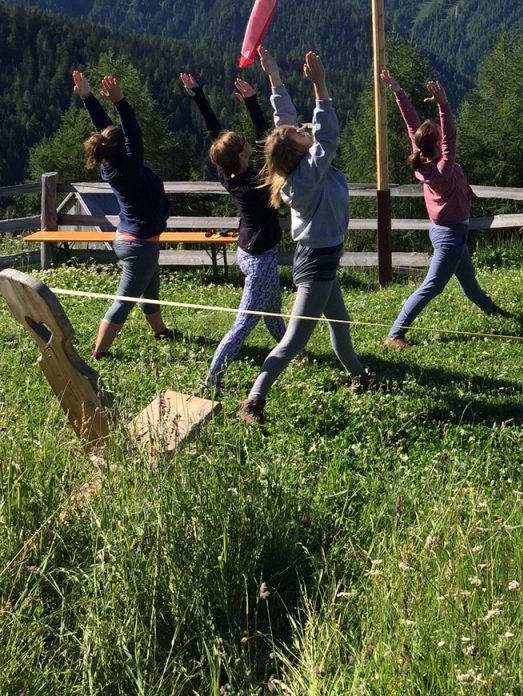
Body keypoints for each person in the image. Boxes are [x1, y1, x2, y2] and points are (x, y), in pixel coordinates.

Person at [238, 49, 369, 424]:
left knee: (339, 326)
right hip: (316, 264)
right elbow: (327, 133)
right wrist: (320, 87)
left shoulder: (298, 167)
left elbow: (284, 123)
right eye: (300, 135)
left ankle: (359, 376)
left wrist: (275, 78)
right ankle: (253, 400)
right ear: (298, 152)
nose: (304, 130)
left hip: (321, 257)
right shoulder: (309, 174)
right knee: (294, 340)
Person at [378, 70, 504, 348]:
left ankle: (493, 311)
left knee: (469, 284)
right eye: (436, 133)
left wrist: (398, 91)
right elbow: (451, 137)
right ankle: (395, 334)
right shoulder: (442, 169)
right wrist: (443, 104)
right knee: (431, 286)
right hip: (450, 235)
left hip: (449, 231)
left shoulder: (424, 159)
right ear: (436, 144)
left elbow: (412, 124)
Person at [179, 70, 285, 391]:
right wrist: (252, 102)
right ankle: (213, 380)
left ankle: (290, 348)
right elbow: (266, 138)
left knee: (272, 311)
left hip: (249, 252)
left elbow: (216, 134)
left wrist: (199, 96)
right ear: (240, 156)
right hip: (260, 259)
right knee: (244, 324)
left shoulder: (230, 175)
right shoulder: (255, 183)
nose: (244, 141)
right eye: (241, 144)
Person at [72, 70, 173, 358]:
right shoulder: (129, 167)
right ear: (122, 149)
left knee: (149, 288)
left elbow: (108, 132)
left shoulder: (112, 162)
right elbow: (133, 133)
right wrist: (120, 102)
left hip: (133, 240)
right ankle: (99, 353)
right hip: (138, 245)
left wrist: (88, 98)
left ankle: (160, 331)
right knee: (124, 300)